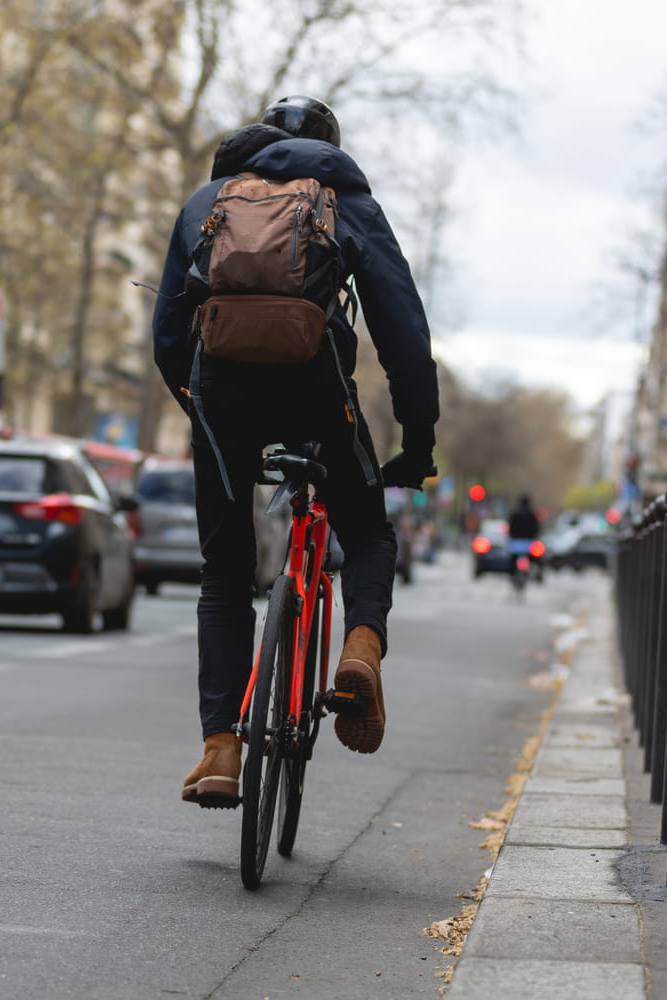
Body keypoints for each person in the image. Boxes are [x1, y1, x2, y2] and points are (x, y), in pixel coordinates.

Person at [152, 96, 440, 808]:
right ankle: (360, 651)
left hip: (221, 390)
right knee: (368, 531)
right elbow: (403, 331)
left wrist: (200, 411)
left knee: (225, 569)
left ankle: (221, 751)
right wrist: (418, 440)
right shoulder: (345, 201)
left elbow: (166, 331)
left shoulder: (207, 201)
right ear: (330, 146)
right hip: (314, 388)